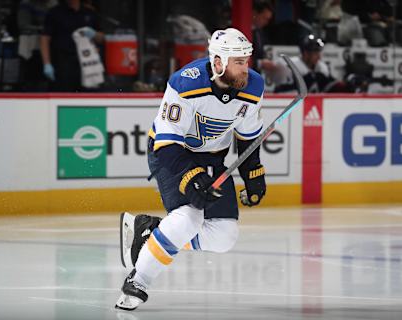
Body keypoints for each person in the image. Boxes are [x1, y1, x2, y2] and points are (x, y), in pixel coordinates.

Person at [115, 28, 267, 311]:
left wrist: (253, 173)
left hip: (212, 161)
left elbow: (247, 138)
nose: (246, 69)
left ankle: (151, 233)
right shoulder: (185, 83)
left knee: (224, 236)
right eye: (239, 62)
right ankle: (138, 281)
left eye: (247, 60)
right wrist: (191, 177)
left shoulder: (254, 86)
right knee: (188, 218)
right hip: (171, 155)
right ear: (219, 62)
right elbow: (167, 142)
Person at [40, 0, 104, 91]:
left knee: (88, 97)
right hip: (62, 64)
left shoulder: (90, 13)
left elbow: (101, 38)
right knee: (63, 97)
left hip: (87, 64)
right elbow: (45, 38)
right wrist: (47, 64)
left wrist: (94, 34)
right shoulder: (54, 13)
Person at [252, 0, 276, 74]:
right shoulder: (242, 31)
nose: (266, 22)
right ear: (255, 13)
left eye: (268, 19)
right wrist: (259, 63)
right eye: (264, 18)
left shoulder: (260, 33)